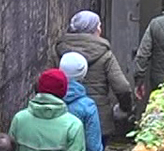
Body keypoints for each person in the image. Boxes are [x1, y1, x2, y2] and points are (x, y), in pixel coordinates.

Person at [54, 11, 133, 143]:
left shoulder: (59, 51)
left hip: (64, 115)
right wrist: (125, 108)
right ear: (94, 29)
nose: (100, 30)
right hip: (98, 117)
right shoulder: (105, 55)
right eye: (98, 26)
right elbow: (122, 87)